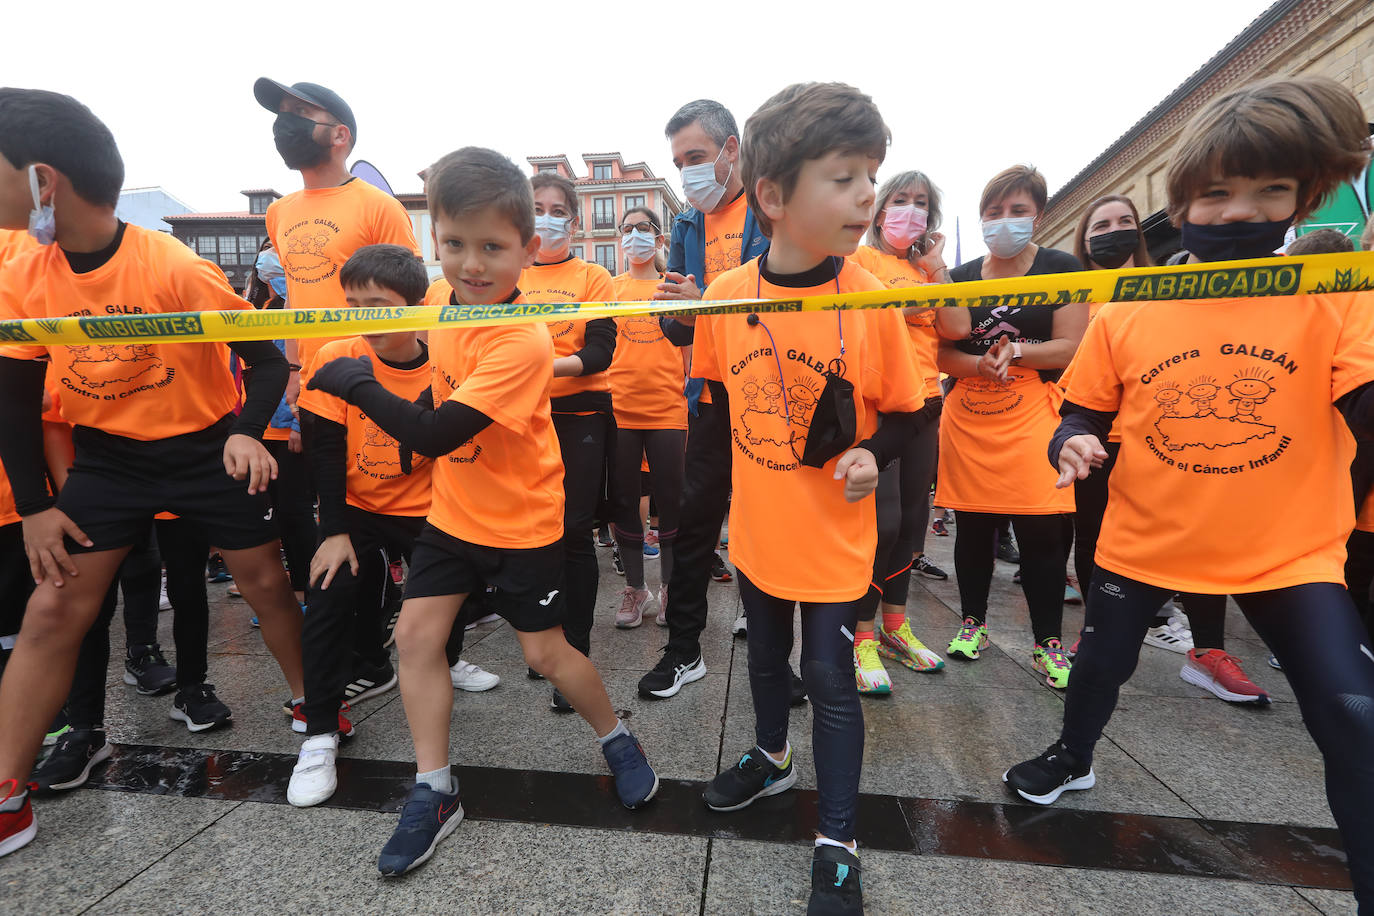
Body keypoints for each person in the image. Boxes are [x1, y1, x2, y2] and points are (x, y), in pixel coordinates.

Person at [1001, 76, 1374, 910]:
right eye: (1218, 194)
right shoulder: (1134, 307)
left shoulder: (1336, 296)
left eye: (1270, 191)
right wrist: (1074, 443)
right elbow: (1079, 412)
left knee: (1355, 716)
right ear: (1183, 201)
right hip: (1146, 537)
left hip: (1291, 551)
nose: (1241, 211)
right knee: (1098, 666)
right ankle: (1074, 756)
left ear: (1304, 196)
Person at [305, 146, 658, 876]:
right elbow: (423, 376)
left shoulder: (521, 338)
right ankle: (434, 789)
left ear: (527, 251)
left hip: (523, 523)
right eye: (455, 244)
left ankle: (617, 736)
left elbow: (436, 431)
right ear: (435, 241)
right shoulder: (437, 308)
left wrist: (354, 382)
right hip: (453, 517)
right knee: (415, 637)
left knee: (546, 654)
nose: (472, 263)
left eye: (493, 247)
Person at [0, 88, 304, 859]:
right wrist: (36, 504)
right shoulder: (26, 268)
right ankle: (7, 792)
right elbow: (11, 393)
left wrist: (246, 433)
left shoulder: (172, 266)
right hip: (108, 459)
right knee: (53, 609)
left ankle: (314, 708)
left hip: (205, 449)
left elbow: (267, 359)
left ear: (43, 182)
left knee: (266, 584)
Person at [693, 82, 926, 916]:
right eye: (843, 176)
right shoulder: (725, 295)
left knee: (829, 676)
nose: (868, 193)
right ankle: (769, 755)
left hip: (833, 540)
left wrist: (870, 450)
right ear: (773, 196)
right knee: (762, 659)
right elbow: (714, 414)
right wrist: (702, 517)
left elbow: (908, 410)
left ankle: (837, 838)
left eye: (872, 172)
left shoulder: (870, 299)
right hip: (757, 533)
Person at [287, 244, 436, 806]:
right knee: (326, 589)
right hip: (357, 508)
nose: (362, 316)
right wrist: (334, 530)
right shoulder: (334, 352)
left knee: (447, 602)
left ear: (416, 306)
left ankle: (444, 660)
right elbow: (324, 450)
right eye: (352, 303)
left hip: (427, 508)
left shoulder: (443, 358)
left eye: (378, 304)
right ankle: (321, 731)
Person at [638, 99, 773, 700]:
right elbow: (677, 330)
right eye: (678, 161)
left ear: (731, 150)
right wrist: (686, 309)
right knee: (693, 522)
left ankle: (774, 651)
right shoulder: (689, 224)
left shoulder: (773, 212)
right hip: (711, 394)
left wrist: (708, 303)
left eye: (696, 156)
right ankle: (684, 649)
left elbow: (781, 308)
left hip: (774, 390)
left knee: (768, 522)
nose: (688, 172)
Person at [937, 165, 1086, 688]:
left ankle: (1048, 642)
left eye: (1018, 211)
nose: (1005, 221)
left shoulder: (1060, 267)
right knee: (974, 528)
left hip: (1033, 413)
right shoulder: (957, 278)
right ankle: (972, 623)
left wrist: (1017, 351)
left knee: (1043, 526)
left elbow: (1071, 346)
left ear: (1037, 216)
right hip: (970, 414)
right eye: (994, 212)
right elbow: (944, 349)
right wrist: (979, 365)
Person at [1065, 194, 1193, 656]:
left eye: (1124, 222)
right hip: (1094, 433)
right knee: (1092, 531)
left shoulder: (1166, 286)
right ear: (1084, 237)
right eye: (1100, 226)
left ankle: (1183, 630)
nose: (1112, 232)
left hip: (1156, 434)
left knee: (1173, 529)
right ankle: (1094, 628)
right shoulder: (1072, 291)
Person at [847, 170, 951, 693]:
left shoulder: (929, 269)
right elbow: (852, 319)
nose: (910, 210)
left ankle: (895, 626)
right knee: (880, 525)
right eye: (901, 200)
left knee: (912, 524)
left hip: (928, 403)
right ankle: (861, 637)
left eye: (921, 203)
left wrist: (936, 271)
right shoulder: (860, 260)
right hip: (880, 407)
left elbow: (956, 327)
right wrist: (904, 309)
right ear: (881, 207)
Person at [517, 172, 616, 710]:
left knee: (574, 531)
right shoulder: (510, 275)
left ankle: (574, 652)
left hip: (580, 414)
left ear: (575, 224)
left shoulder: (594, 275)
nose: (548, 217)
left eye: (559, 210)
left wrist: (540, 366)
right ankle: (545, 645)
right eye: (538, 207)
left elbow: (601, 351)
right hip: (523, 417)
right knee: (535, 531)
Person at [608, 207, 687, 631]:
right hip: (619, 410)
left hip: (667, 410)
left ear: (659, 238)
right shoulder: (610, 288)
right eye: (627, 229)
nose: (634, 235)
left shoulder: (672, 287)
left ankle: (670, 587)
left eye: (643, 229)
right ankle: (636, 589)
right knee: (625, 503)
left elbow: (690, 347)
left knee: (671, 504)